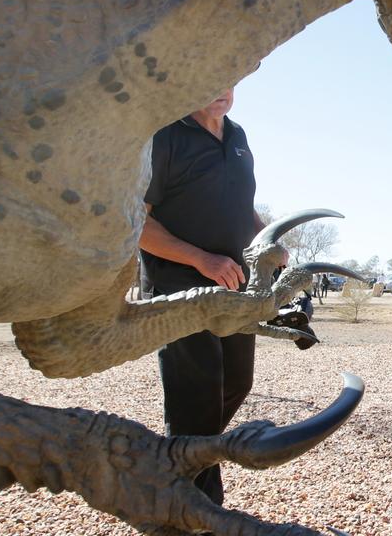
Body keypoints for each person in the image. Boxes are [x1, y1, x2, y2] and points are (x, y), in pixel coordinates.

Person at [138, 87, 278, 505]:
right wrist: (202, 259)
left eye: (230, 79)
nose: (222, 89)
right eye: (212, 78)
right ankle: (197, 510)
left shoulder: (238, 137)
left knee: (237, 382)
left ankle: (173, 471)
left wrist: (266, 239)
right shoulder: (163, 136)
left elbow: (243, 207)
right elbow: (135, 222)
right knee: (196, 395)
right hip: (178, 292)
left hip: (235, 291)